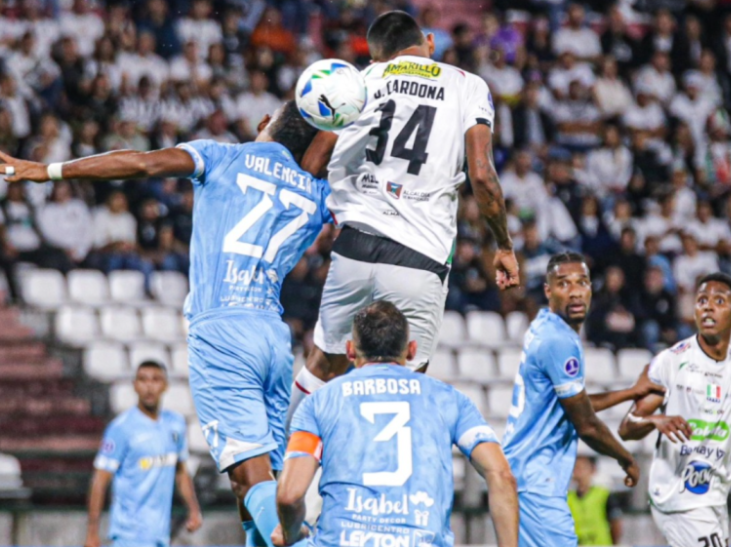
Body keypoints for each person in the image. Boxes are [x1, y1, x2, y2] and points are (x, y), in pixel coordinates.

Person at [0, 100, 330, 547]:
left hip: (223, 331)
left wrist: (48, 171)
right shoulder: (315, 192)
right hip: (273, 337)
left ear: (265, 123)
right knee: (255, 483)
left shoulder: (225, 156)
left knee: (254, 477)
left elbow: (141, 163)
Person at [289, 10, 519, 423]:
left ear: (377, 56)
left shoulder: (362, 81)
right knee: (406, 385)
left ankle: (282, 464)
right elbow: (482, 175)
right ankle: (387, 483)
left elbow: (314, 162)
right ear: (429, 42)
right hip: (420, 255)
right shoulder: (468, 85)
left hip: (355, 246)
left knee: (322, 366)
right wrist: (503, 245)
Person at [273, 301, 519, 547]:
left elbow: (289, 496)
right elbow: (501, 474)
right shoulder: (448, 399)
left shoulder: (319, 401)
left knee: (267, 512)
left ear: (349, 351)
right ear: (411, 350)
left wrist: (292, 534)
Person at [503, 251, 663, 547]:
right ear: (549, 291)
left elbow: (573, 406)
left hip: (524, 476)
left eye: (582, 282)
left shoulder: (545, 325)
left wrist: (630, 392)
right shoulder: (559, 341)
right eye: (564, 284)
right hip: (538, 483)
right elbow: (586, 424)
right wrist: (625, 459)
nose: (575, 291)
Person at [620, 273, 731, 547]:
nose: (708, 307)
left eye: (719, 301)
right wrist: (655, 420)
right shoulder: (671, 362)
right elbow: (626, 427)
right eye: (702, 300)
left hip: (714, 496)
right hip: (677, 497)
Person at [85, 361, 202, 547]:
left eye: (155, 380)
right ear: (134, 385)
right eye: (143, 380)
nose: (149, 386)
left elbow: (181, 471)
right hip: (129, 535)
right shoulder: (121, 428)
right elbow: (100, 480)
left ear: (165, 385)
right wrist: (92, 532)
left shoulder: (175, 424)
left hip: (161, 534)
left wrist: (193, 510)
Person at [567, 456, 622, 546]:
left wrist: (614, 543)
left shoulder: (604, 494)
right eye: (575, 468)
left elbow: (616, 522)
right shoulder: (568, 498)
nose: (578, 472)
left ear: (593, 470)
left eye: (582, 468)